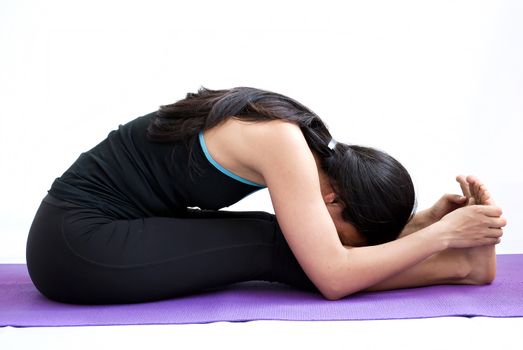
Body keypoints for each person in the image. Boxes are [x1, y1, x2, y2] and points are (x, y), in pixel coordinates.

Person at [26, 86, 506, 304]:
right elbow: (334, 276)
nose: (339, 242)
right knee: (273, 245)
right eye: (349, 235)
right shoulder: (284, 143)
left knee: (275, 238)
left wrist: (420, 224)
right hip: (77, 247)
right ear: (337, 199)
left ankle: (461, 261)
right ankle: (462, 267)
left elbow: (327, 245)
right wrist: (443, 239)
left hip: (96, 232)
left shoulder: (303, 139)